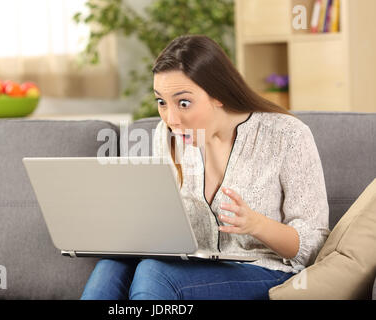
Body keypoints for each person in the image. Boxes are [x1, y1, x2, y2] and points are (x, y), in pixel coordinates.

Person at [80, 34, 330, 300]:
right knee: (112, 266)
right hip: (191, 268)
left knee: (156, 273)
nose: (171, 118)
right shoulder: (165, 136)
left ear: (218, 95)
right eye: (161, 102)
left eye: (183, 102)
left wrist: (257, 224)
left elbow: (314, 245)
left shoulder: (287, 135)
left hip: (268, 271)